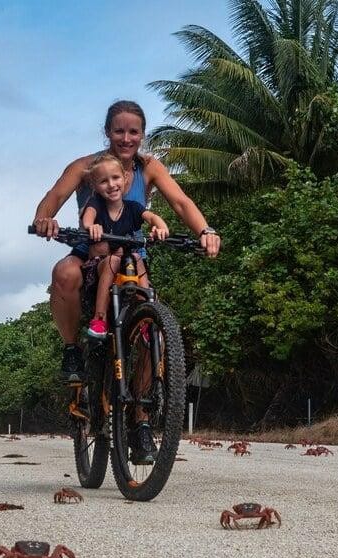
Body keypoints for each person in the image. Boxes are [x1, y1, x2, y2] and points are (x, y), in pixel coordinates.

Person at [32, 100, 221, 463]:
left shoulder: (149, 168)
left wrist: (206, 231)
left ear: (142, 134)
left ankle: (141, 420)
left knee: (154, 330)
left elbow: (181, 203)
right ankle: (72, 349)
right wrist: (45, 219)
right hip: (91, 254)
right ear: (107, 132)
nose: (126, 138)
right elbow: (53, 198)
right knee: (64, 273)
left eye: (134, 132)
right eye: (119, 131)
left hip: (132, 259)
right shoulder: (86, 168)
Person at [79, 153, 169, 340]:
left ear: (125, 178)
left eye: (115, 178)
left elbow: (151, 217)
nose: (111, 185)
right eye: (104, 181)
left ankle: (148, 310)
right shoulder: (96, 204)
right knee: (113, 260)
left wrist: (160, 227)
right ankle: (99, 318)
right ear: (95, 186)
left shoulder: (133, 207)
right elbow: (88, 218)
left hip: (126, 262)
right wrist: (91, 227)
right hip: (101, 265)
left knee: (136, 258)